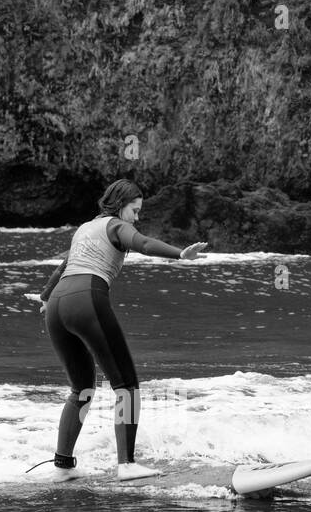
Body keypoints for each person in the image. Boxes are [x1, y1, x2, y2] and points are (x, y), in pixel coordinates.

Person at [36, 179, 207, 481]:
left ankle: (63, 465)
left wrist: (46, 297)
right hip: (86, 299)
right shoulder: (115, 225)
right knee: (126, 386)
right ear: (121, 204)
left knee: (81, 388)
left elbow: (64, 266)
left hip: (57, 308)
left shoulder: (84, 228)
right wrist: (180, 254)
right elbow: (141, 243)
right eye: (135, 210)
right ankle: (126, 464)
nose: (137, 218)